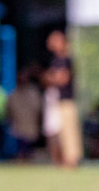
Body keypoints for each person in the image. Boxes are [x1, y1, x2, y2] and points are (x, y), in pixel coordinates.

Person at [43, 30, 81, 168]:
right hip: (57, 100)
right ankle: (64, 157)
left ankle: (72, 158)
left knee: (69, 131)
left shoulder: (66, 59)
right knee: (58, 131)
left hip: (67, 100)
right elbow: (48, 78)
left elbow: (62, 78)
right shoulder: (55, 60)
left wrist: (52, 77)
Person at [7, 64, 43, 161]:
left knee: (28, 147)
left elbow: (38, 108)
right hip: (19, 126)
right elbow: (9, 111)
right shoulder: (13, 94)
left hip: (30, 125)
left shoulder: (33, 92)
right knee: (21, 146)